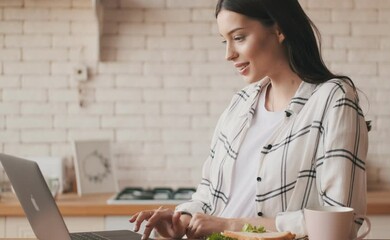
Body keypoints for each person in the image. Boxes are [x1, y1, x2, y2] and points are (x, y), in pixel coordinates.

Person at [129, 0, 369, 239]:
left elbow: (341, 223)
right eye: (226, 41)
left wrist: (229, 225)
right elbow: (208, 194)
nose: (229, 54)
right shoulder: (241, 103)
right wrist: (181, 220)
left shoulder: (333, 99)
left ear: (279, 29)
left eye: (239, 37)